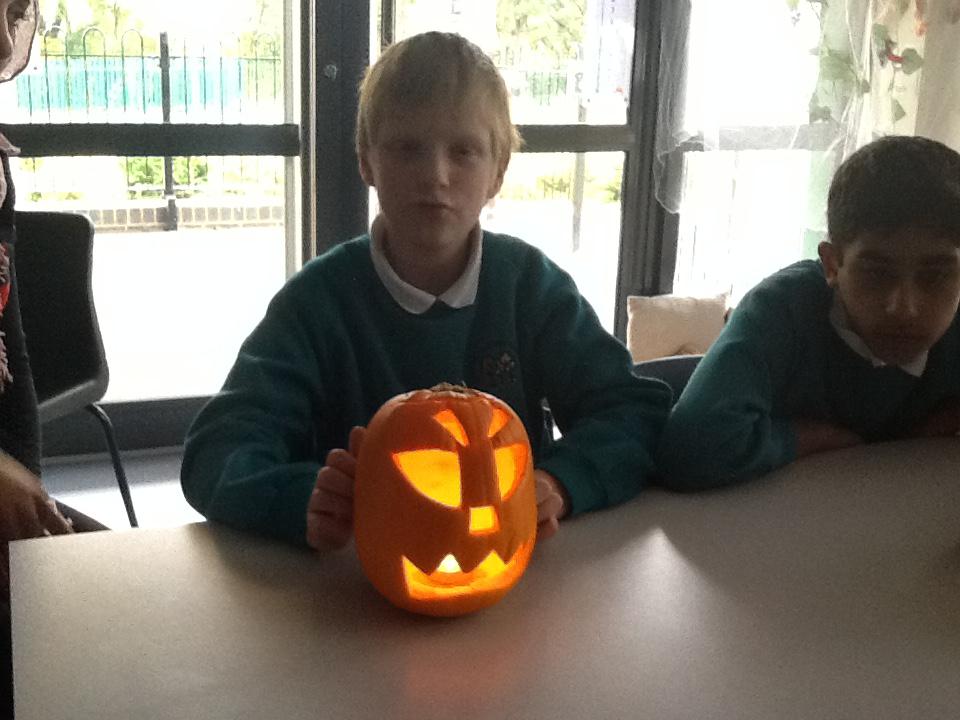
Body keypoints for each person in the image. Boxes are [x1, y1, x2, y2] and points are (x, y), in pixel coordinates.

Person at [181, 31, 671, 551]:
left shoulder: (530, 287)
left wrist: (560, 483)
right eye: (407, 149)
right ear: (366, 161)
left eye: (463, 152)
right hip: (347, 582)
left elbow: (634, 412)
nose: (435, 175)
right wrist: (303, 499)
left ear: (498, 172)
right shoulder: (316, 304)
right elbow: (216, 451)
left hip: (512, 575)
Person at [657, 135, 960, 490]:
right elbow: (688, 451)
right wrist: (810, 437)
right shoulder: (782, 309)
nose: (904, 308)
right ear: (832, 265)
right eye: (877, 274)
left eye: (936, 276)